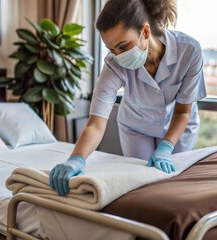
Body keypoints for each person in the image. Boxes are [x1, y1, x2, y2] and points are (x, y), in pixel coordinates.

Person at [49, 0, 206, 196]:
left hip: (178, 125)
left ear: (145, 32)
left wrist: (166, 147)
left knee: (175, 185)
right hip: (136, 127)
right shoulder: (114, 65)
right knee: (142, 186)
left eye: (123, 46)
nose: (118, 55)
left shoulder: (188, 51)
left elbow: (183, 111)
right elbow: (96, 123)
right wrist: (76, 158)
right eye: (112, 49)